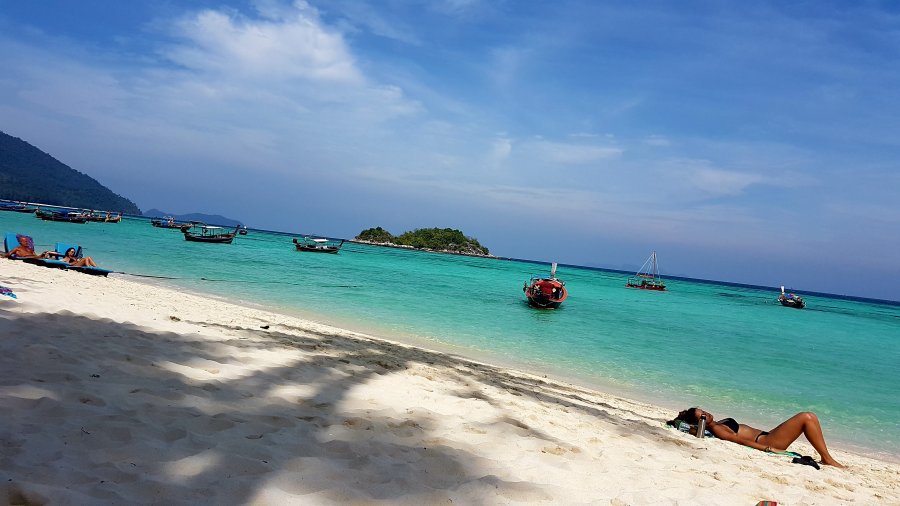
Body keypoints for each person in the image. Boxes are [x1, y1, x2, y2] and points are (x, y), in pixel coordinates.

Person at [669, 407, 844, 468]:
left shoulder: (716, 424)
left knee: (808, 417)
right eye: (703, 416)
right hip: (767, 441)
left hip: (767, 435)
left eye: (705, 411)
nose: (707, 414)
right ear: (700, 422)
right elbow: (740, 441)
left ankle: (826, 457)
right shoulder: (717, 429)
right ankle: (827, 459)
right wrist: (769, 449)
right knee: (807, 417)